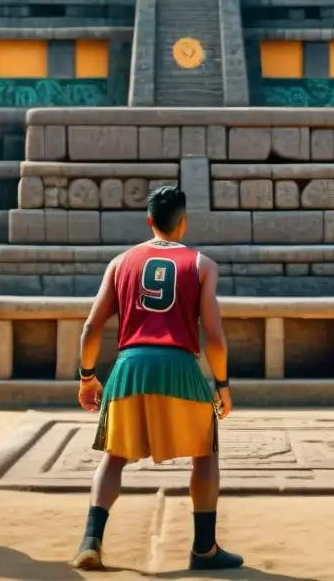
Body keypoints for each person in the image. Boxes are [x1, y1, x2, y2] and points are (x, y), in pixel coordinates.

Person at [71, 186, 243, 572]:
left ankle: (91, 541)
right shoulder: (202, 264)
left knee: (114, 457)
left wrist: (86, 378)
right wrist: (222, 385)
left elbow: (91, 327)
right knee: (205, 453)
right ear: (184, 222)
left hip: (129, 367)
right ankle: (204, 548)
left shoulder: (120, 262)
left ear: (149, 220)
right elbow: (213, 335)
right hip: (179, 366)